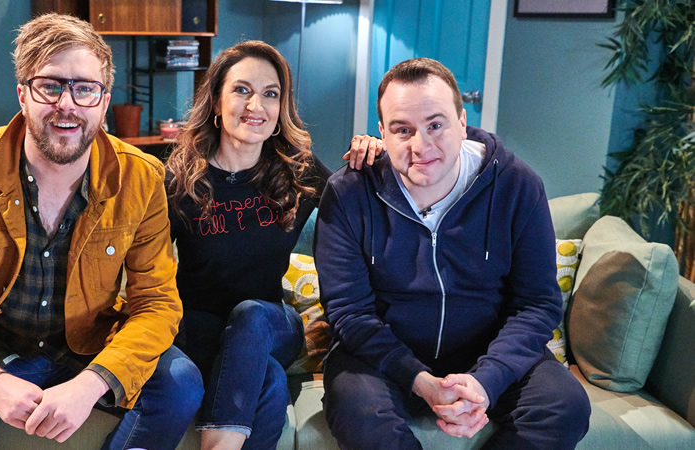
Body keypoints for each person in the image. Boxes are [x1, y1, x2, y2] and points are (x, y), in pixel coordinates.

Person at [0, 13, 202, 449]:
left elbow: (157, 304)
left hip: (88, 345)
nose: (67, 104)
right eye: (50, 85)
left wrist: (91, 384)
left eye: (85, 88)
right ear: (23, 95)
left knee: (181, 383)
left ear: (103, 102)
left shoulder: (141, 177)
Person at [314, 57, 591, 449]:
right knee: (357, 410)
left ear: (462, 121)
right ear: (381, 132)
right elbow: (349, 312)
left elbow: (536, 304)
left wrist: (486, 380)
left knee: (565, 405)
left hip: (487, 352)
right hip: (384, 359)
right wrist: (421, 381)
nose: (420, 145)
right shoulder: (349, 193)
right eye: (402, 130)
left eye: (436, 125)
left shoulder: (517, 185)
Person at [164, 40, 331, 449]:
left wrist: (374, 153)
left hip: (271, 324)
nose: (256, 104)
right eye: (241, 90)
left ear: (279, 111)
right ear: (217, 104)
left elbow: (363, 204)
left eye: (270, 94)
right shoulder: (180, 180)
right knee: (270, 379)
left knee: (251, 314)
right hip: (201, 329)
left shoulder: (299, 172)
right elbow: (142, 263)